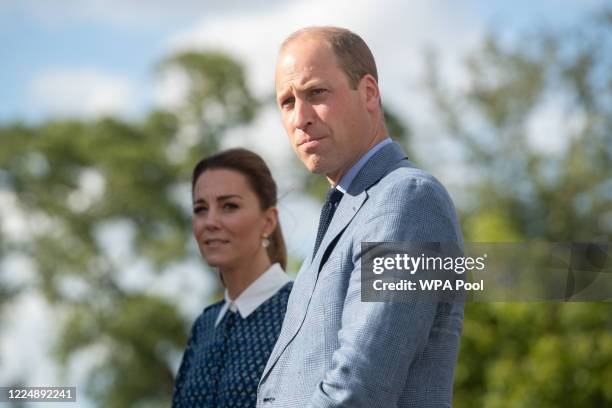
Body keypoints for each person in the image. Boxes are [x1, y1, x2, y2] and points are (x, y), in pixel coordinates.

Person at [257, 27, 464, 407]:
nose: (300, 117)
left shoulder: (409, 199)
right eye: (286, 102)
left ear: (369, 93)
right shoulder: (343, 211)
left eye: (316, 92)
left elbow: (360, 388)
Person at [173, 148, 293, 408]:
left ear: (268, 221)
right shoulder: (204, 326)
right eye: (200, 209)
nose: (210, 222)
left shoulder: (301, 310)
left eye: (229, 206)